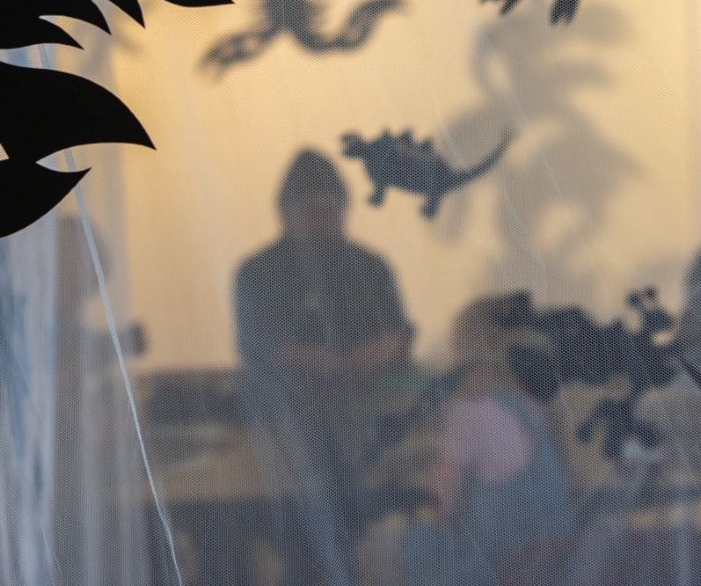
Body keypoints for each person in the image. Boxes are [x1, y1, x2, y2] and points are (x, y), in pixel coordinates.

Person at [236, 149, 414, 586]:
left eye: (331, 212)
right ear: (286, 212)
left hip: (367, 413)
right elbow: (258, 345)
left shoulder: (369, 266)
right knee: (303, 517)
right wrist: (310, 360)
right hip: (286, 419)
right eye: (311, 212)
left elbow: (398, 333)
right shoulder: (258, 272)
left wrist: (376, 352)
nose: (322, 223)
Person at [368, 296, 574, 586]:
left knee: (387, 546)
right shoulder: (536, 410)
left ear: (469, 363)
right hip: (552, 559)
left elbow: (443, 498)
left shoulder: (471, 414)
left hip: (493, 561)